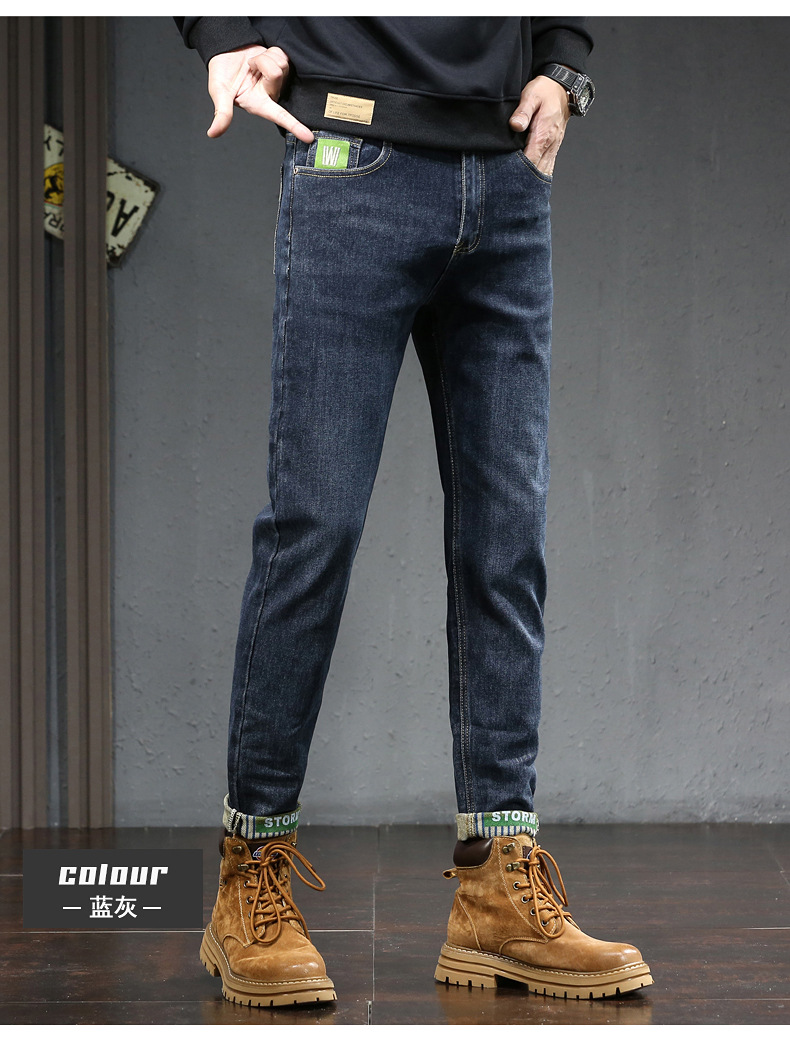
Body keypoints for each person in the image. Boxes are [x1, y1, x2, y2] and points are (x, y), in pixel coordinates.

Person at [173, 15, 653, 1007]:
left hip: (506, 176)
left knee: (505, 542)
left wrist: (564, 63)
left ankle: (497, 888)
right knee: (316, 526)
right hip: (352, 159)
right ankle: (248, 873)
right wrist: (222, 31)